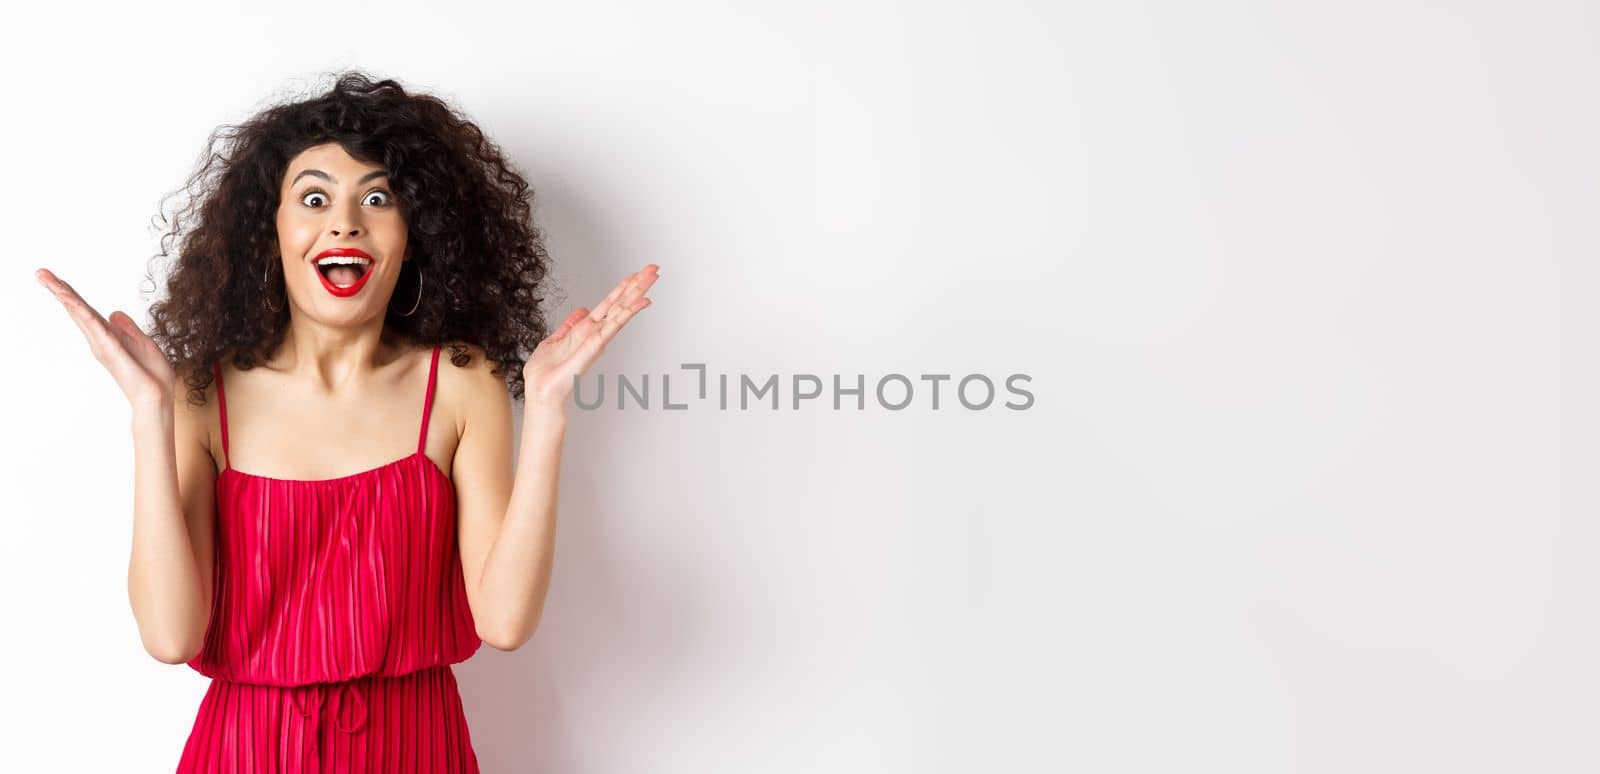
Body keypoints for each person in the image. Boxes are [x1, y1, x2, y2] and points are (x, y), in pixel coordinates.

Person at [34, 70, 658, 772]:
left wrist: (546, 411)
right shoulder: (201, 396)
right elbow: (172, 637)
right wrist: (150, 414)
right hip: (245, 751)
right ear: (270, 232)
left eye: (377, 197)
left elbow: (505, 623)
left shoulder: (459, 384)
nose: (344, 221)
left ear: (413, 234)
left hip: (415, 750)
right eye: (314, 197)